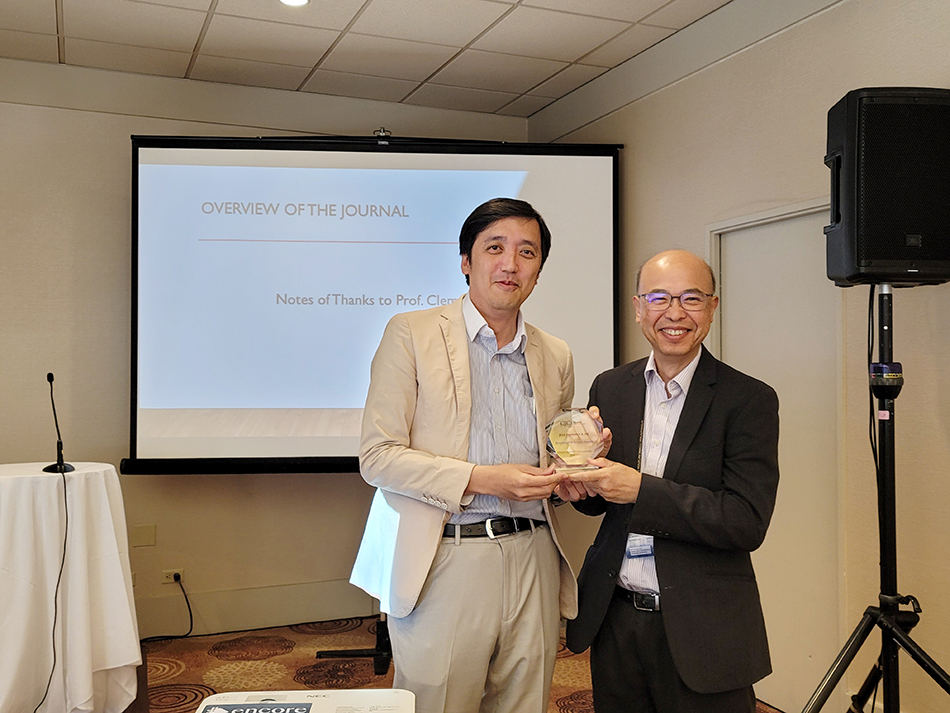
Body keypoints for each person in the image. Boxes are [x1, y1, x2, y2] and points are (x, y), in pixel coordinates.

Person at [349, 197, 582, 713]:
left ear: (539, 268)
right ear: (465, 261)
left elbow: (551, 457)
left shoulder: (556, 353)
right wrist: (482, 478)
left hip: (535, 554)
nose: (511, 264)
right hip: (446, 554)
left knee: (525, 704)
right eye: (495, 248)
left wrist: (577, 463)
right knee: (438, 704)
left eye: (527, 252)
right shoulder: (411, 334)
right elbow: (378, 456)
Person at [564, 249, 780, 713]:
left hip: (704, 627)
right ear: (638, 307)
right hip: (614, 616)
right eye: (659, 298)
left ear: (713, 308)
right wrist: (579, 488)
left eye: (691, 298)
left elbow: (746, 521)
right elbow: (601, 504)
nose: (675, 313)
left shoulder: (748, 399)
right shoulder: (610, 386)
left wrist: (641, 490)